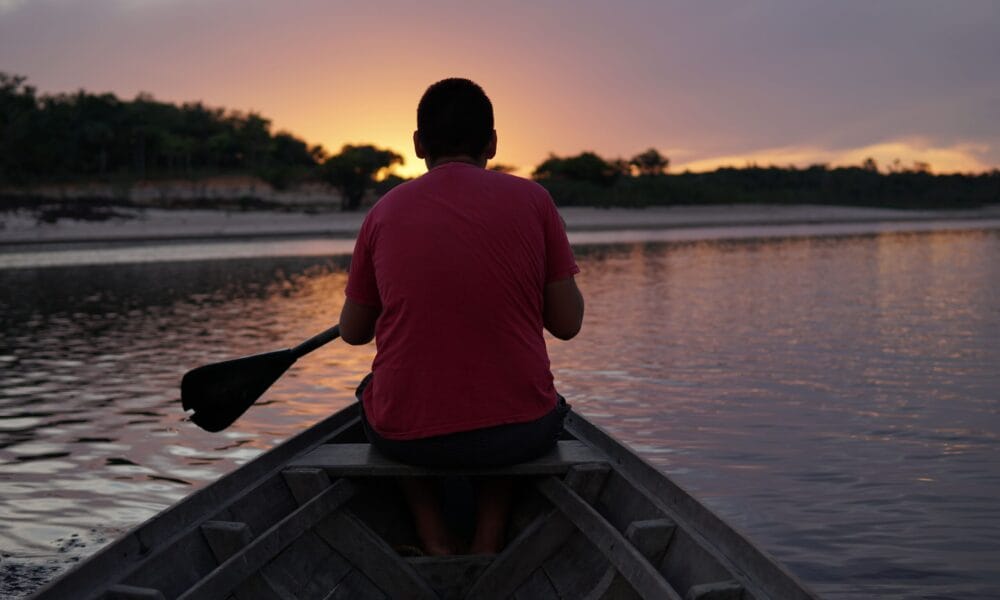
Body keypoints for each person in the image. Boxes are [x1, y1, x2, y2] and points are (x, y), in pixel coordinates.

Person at [338, 77, 584, 555]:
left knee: (373, 393)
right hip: (517, 436)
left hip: (408, 439)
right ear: (492, 143)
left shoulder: (383, 212)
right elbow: (568, 325)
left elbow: (352, 333)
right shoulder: (535, 201)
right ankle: (489, 538)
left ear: (417, 145)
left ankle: (433, 536)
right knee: (522, 401)